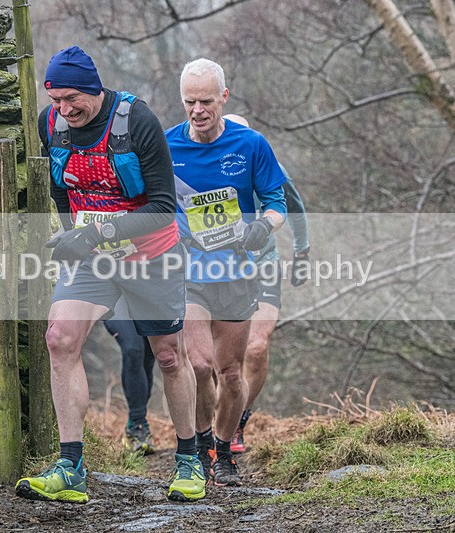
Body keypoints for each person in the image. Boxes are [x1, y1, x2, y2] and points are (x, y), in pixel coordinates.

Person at [15, 46, 205, 504]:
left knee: (169, 356)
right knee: (59, 339)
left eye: (72, 99)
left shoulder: (137, 120)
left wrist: (96, 232)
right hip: (93, 258)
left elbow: (163, 208)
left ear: (95, 89)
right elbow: (59, 189)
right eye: (56, 100)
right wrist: (72, 236)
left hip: (152, 256)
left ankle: (189, 460)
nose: (64, 110)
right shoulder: (51, 123)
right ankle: (70, 467)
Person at [166, 59, 287, 486]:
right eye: (189, 102)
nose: (197, 110)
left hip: (236, 274)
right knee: (200, 366)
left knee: (231, 373)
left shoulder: (250, 144)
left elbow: (277, 203)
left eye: (206, 101)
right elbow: (149, 202)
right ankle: (200, 446)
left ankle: (224, 451)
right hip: (188, 275)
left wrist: (262, 228)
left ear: (224, 97)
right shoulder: (167, 146)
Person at [223, 114, 311, 454]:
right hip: (216, 270)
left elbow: (295, 207)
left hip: (264, 266)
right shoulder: (201, 164)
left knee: (256, 347)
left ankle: (238, 420)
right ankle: (216, 422)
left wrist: (302, 253)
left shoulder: (267, 163)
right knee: (219, 357)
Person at [103, 298, 156, 455]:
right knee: (133, 350)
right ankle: (138, 425)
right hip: (114, 297)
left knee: (148, 359)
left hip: (149, 297)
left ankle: (133, 423)